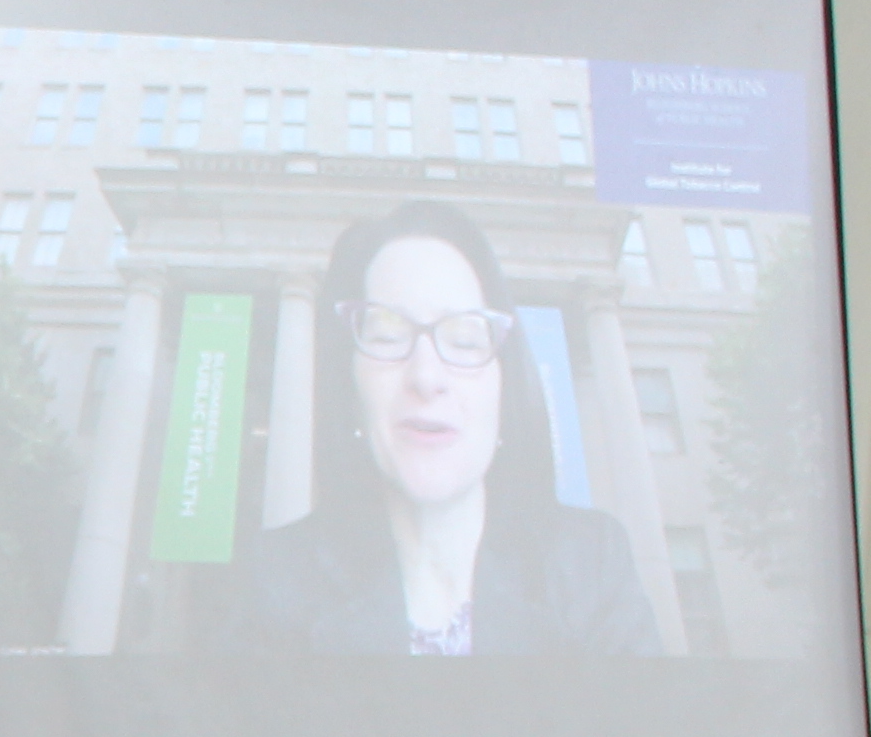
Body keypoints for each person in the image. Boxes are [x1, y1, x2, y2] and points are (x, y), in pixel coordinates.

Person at [227, 200, 664, 657]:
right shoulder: (275, 577)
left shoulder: (592, 562)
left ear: (504, 381)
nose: (426, 378)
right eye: (387, 336)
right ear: (350, 387)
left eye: (464, 339)